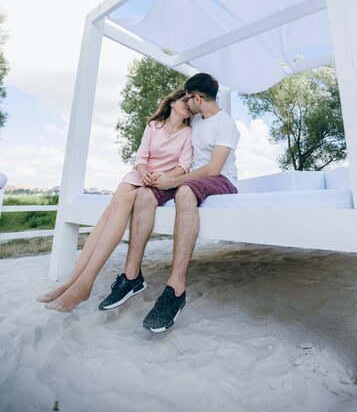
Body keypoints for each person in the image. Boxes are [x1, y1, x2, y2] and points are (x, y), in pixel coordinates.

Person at [101, 72, 240, 333]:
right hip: (189, 178)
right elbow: (174, 142)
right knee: (144, 194)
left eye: (189, 98)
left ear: (198, 98)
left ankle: (176, 289)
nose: (186, 102)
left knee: (186, 191)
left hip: (220, 180)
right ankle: (132, 277)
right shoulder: (195, 121)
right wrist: (162, 177)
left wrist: (174, 181)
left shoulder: (226, 124)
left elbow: (213, 168)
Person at [37, 89, 192, 312]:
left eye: (190, 101)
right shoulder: (153, 126)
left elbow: (183, 166)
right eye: (184, 99)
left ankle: (84, 284)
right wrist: (143, 170)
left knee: (120, 204)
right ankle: (72, 283)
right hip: (138, 175)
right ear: (173, 102)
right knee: (107, 217)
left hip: (161, 181)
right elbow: (141, 157)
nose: (188, 104)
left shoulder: (188, 133)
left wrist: (163, 177)